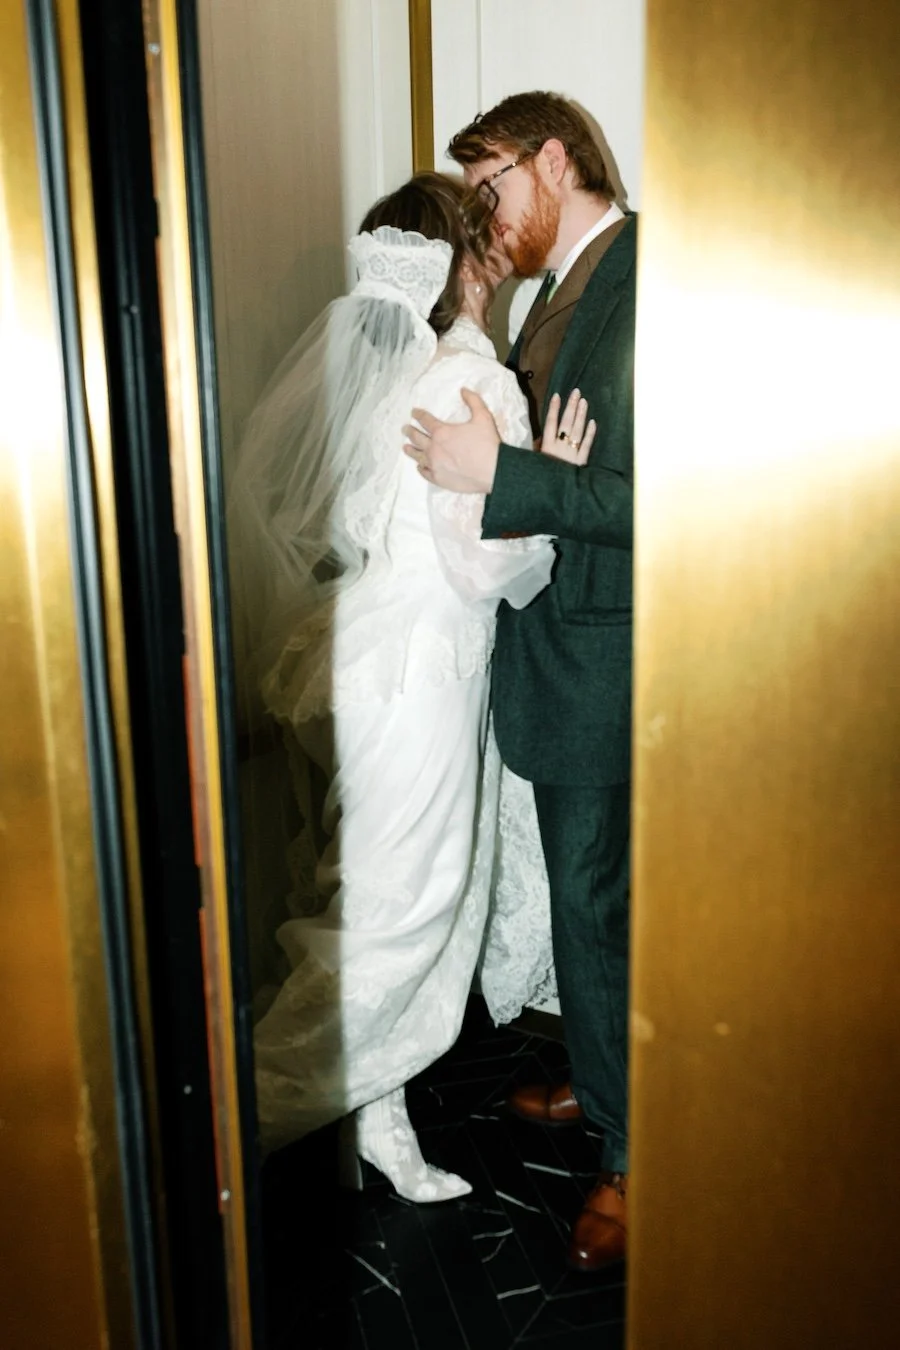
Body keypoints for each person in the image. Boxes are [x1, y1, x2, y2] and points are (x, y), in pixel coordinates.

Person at [227, 173, 584, 1203]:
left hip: (373, 660)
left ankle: (376, 1120)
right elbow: (486, 571)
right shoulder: (477, 382)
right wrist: (546, 495)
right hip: (426, 678)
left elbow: (351, 527)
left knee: (384, 897)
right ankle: (232, 1119)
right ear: (469, 264)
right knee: (403, 918)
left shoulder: (401, 373)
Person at [404, 93, 636, 1268]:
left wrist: (505, 474)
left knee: (598, 913)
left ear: (556, 159)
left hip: (610, 660)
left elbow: (673, 510)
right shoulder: (556, 292)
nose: (484, 218)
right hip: (558, 659)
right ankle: (609, 1090)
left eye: (491, 185)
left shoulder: (647, 288)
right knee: (591, 913)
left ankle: (634, 1157)